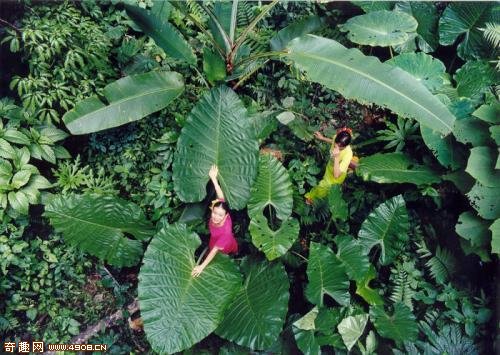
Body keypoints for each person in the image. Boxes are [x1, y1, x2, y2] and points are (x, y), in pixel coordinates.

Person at [191, 165, 238, 277]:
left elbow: (214, 250)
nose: (216, 217)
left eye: (220, 215)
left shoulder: (225, 232)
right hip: (214, 238)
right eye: (214, 212)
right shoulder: (221, 209)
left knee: (218, 258)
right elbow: (221, 197)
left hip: (225, 244)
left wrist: (201, 267)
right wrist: (213, 178)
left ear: (226, 216)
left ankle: (234, 257)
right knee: (211, 246)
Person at [305, 127, 354, 204]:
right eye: (336, 144)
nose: (336, 147)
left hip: (337, 175)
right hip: (330, 168)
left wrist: (337, 157)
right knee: (323, 187)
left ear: (346, 146)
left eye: (340, 147)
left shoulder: (348, 153)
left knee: (323, 187)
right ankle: (315, 200)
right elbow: (332, 141)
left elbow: (336, 175)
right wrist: (322, 138)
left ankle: (313, 201)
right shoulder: (336, 139)